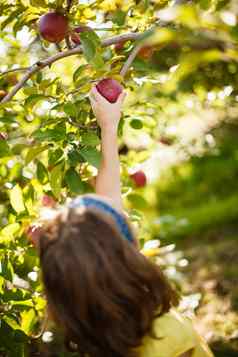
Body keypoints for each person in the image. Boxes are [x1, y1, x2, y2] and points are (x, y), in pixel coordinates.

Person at [38, 86, 214, 357]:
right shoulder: (169, 339)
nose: (120, 212)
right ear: (124, 253)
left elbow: (108, 199)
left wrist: (108, 126)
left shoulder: (97, 335)